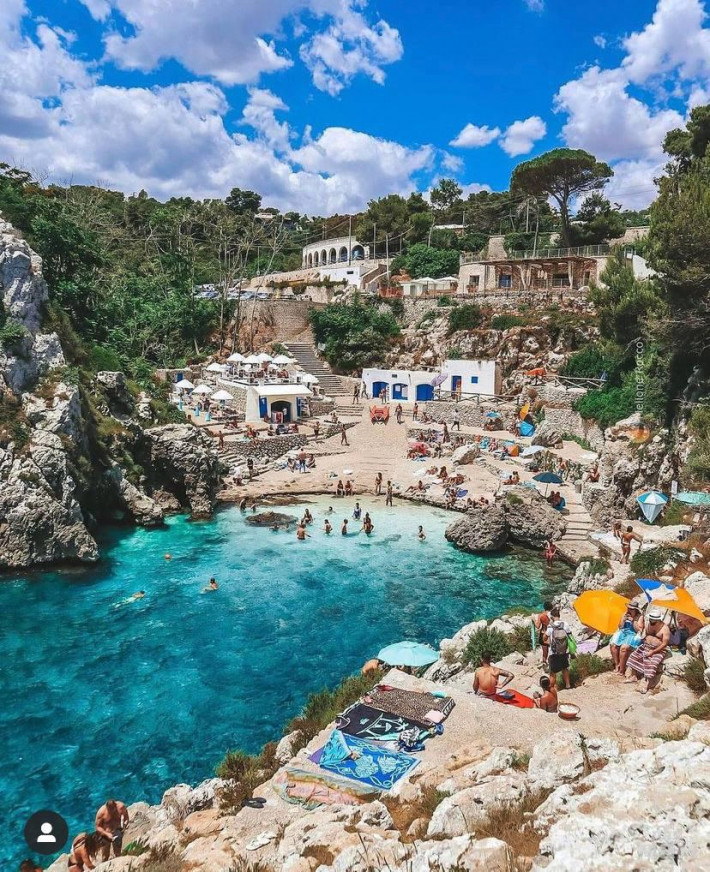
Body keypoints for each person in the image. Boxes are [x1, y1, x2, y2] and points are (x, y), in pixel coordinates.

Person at [625, 609, 670, 693]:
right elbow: (646, 634)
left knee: (652, 663)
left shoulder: (665, 629)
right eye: (650, 619)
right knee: (633, 656)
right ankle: (633, 676)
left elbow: (665, 644)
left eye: (653, 620)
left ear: (658, 620)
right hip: (646, 646)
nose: (651, 621)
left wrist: (653, 652)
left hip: (658, 650)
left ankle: (646, 685)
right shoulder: (649, 624)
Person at [610, 602, 644, 674]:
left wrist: (633, 621)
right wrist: (623, 620)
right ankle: (617, 665)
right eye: (628, 608)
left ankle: (622, 670)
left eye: (631, 609)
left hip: (633, 634)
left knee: (623, 648)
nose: (629, 610)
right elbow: (620, 627)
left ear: (635, 610)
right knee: (613, 645)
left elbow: (639, 630)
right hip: (624, 632)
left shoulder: (639, 617)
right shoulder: (624, 614)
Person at [548, 610, 573, 690]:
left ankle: (552, 688)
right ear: (559, 615)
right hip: (564, 650)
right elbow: (570, 636)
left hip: (554, 652)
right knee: (565, 668)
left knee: (552, 672)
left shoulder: (550, 626)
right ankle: (568, 685)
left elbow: (545, 637)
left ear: (552, 617)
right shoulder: (565, 624)